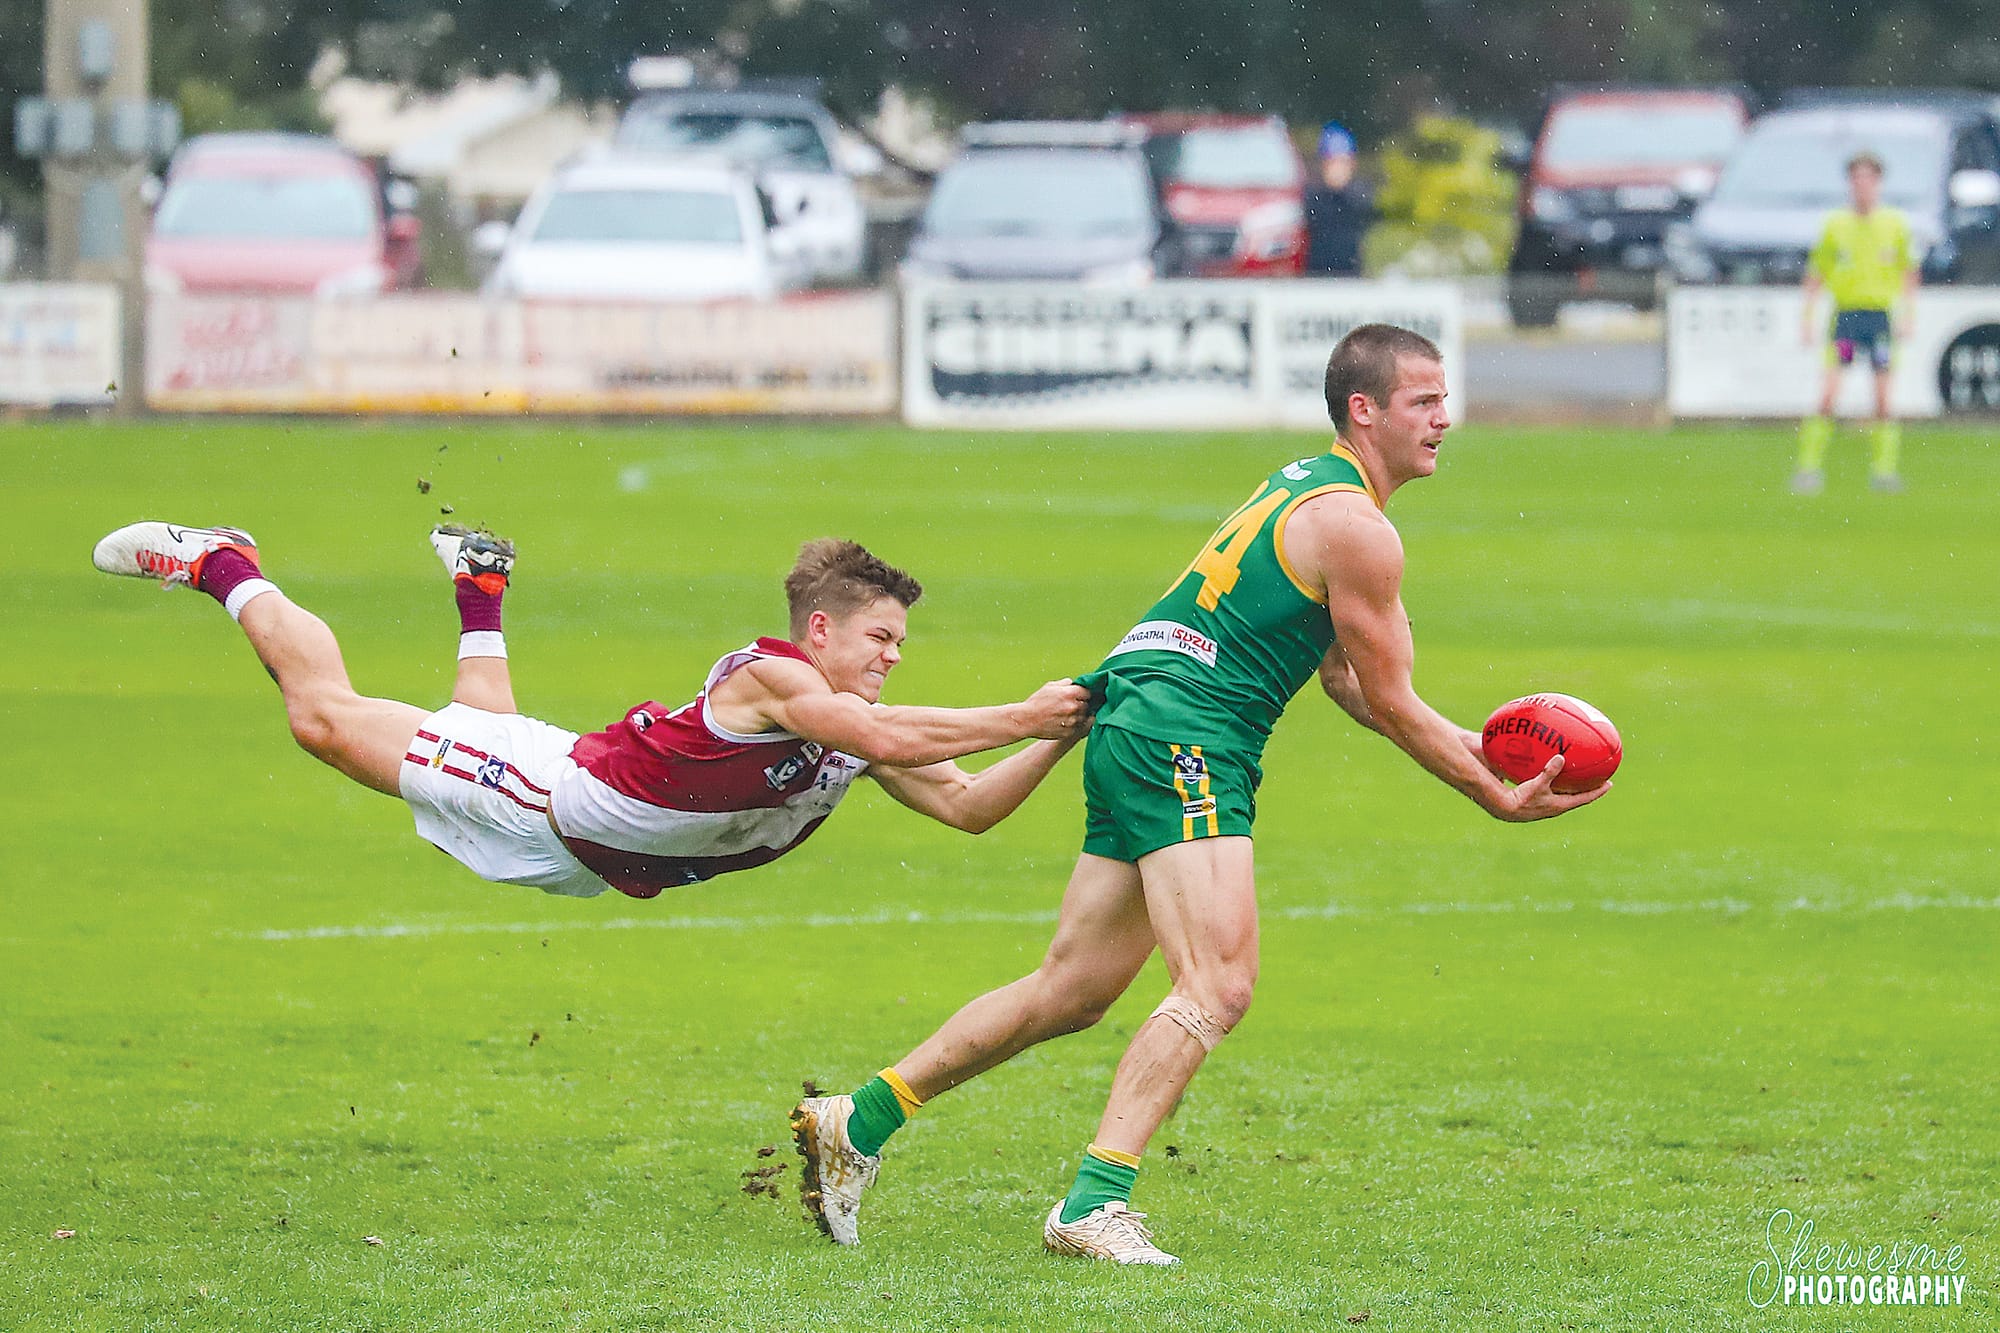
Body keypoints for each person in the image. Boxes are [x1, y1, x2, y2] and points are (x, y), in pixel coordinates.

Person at [792, 324, 1610, 1265]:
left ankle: (861, 1117)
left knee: (1075, 987)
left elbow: (1345, 681)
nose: (1444, 419)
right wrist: (1490, 792)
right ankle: (1094, 1203)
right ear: (1365, 409)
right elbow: (1388, 696)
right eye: (1425, 402)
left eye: (1444, 399)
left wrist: (1480, 751)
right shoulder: (1359, 529)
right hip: (1187, 736)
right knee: (1218, 980)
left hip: (1139, 713)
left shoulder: (1307, 484)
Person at [89, 524, 1094, 900]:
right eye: (880, 640)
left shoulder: (848, 730)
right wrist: (1026, 709)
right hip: (558, 799)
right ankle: (223, 562)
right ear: (820, 629)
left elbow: (968, 808)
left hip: (589, 859)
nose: (890, 659)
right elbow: (881, 735)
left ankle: (482, 586)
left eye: (900, 649)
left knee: (475, 729)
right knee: (323, 719)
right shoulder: (777, 675)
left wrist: (1063, 732)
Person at [1795, 150, 1918, 495]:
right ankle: (1808, 468)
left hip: (1878, 320)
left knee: (1882, 399)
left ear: (1878, 182)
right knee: (1830, 393)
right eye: (1856, 179)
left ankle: (1884, 472)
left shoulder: (1894, 224)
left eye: (1868, 178)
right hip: (1847, 320)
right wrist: (1806, 317)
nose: (1862, 185)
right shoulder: (1836, 225)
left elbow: (1908, 272)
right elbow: (1817, 272)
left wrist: (1909, 315)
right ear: (1850, 183)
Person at [1302, 120, 1373, 276]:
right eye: (1333, 163)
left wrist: (1341, 190)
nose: (1338, 169)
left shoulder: (1359, 195)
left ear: (1352, 164)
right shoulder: (1312, 196)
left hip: (1350, 275)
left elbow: (1362, 207)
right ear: (1323, 164)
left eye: (1343, 163)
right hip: (1316, 275)